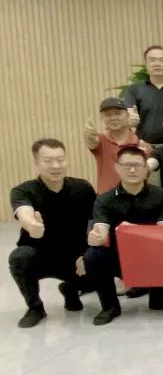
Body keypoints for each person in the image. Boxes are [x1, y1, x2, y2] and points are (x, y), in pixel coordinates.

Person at [83, 145, 163, 325]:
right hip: (118, 257)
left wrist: (133, 230)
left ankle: (157, 293)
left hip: (152, 255)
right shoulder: (105, 199)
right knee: (93, 255)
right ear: (117, 168)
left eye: (137, 165)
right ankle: (110, 306)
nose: (132, 170)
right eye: (127, 166)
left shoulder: (162, 195)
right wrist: (97, 237)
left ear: (145, 168)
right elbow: (101, 229)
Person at [9, 139, 96, 328]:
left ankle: (70, 289)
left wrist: (87, 253)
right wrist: (32, 224)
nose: (56, 166)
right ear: (36, 163)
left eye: (60, 160)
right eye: (48, 161)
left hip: (74, 257)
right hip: (40, 255)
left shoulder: (82, 188)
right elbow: (23, 211)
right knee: (19, 257)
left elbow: (94, 221)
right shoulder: (24, 190)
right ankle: (35, 308)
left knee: (98, 260)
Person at [85, 97, 150, 193]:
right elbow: (91, 142)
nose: (113, 118)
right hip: (106, 198)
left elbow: (146, 173)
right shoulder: (100, 140)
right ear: (102, 118)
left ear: (127, 115)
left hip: (134, 196)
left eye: (118, 113)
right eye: (108, 115)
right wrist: (89, 135)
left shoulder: (140, 143)